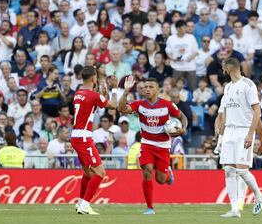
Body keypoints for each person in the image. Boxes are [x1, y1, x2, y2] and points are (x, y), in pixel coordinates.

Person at [118, 75, 188, 215]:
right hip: (147, 144)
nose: (147, 89)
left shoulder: (167, 105)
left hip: (163, 145)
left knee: (161, 179)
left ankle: (168, 175)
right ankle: (150, 207)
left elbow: (182, 117)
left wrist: (183, 128)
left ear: (157, 89)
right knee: (147, 170)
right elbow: (121, 109)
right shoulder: (139, 105)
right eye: (145, 87)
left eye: (151, 87)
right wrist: (125, 92)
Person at [215, 57, 262, 218]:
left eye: (224, 67)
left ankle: (258, 195)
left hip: (243, 130)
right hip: (230, 130)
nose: (223, 70)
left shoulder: (248, 85)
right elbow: (227, 110)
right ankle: (234, 208)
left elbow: (257, 111)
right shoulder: (228, 87)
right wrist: (222, 131)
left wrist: (251, 134)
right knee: (228, 170)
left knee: (241, 170)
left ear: (230, 68)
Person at [70, 66, 118, 215]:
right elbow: (114, 105)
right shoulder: (93, 96)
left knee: (89, 173)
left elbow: (89, 108)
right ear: (93, 79)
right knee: (100, 172)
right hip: (84, 138)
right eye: (96, 77)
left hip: (76, 136)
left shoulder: (78, 94)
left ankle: (80, 203)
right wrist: (114, 89)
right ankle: (85, 205)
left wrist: (101, 97)